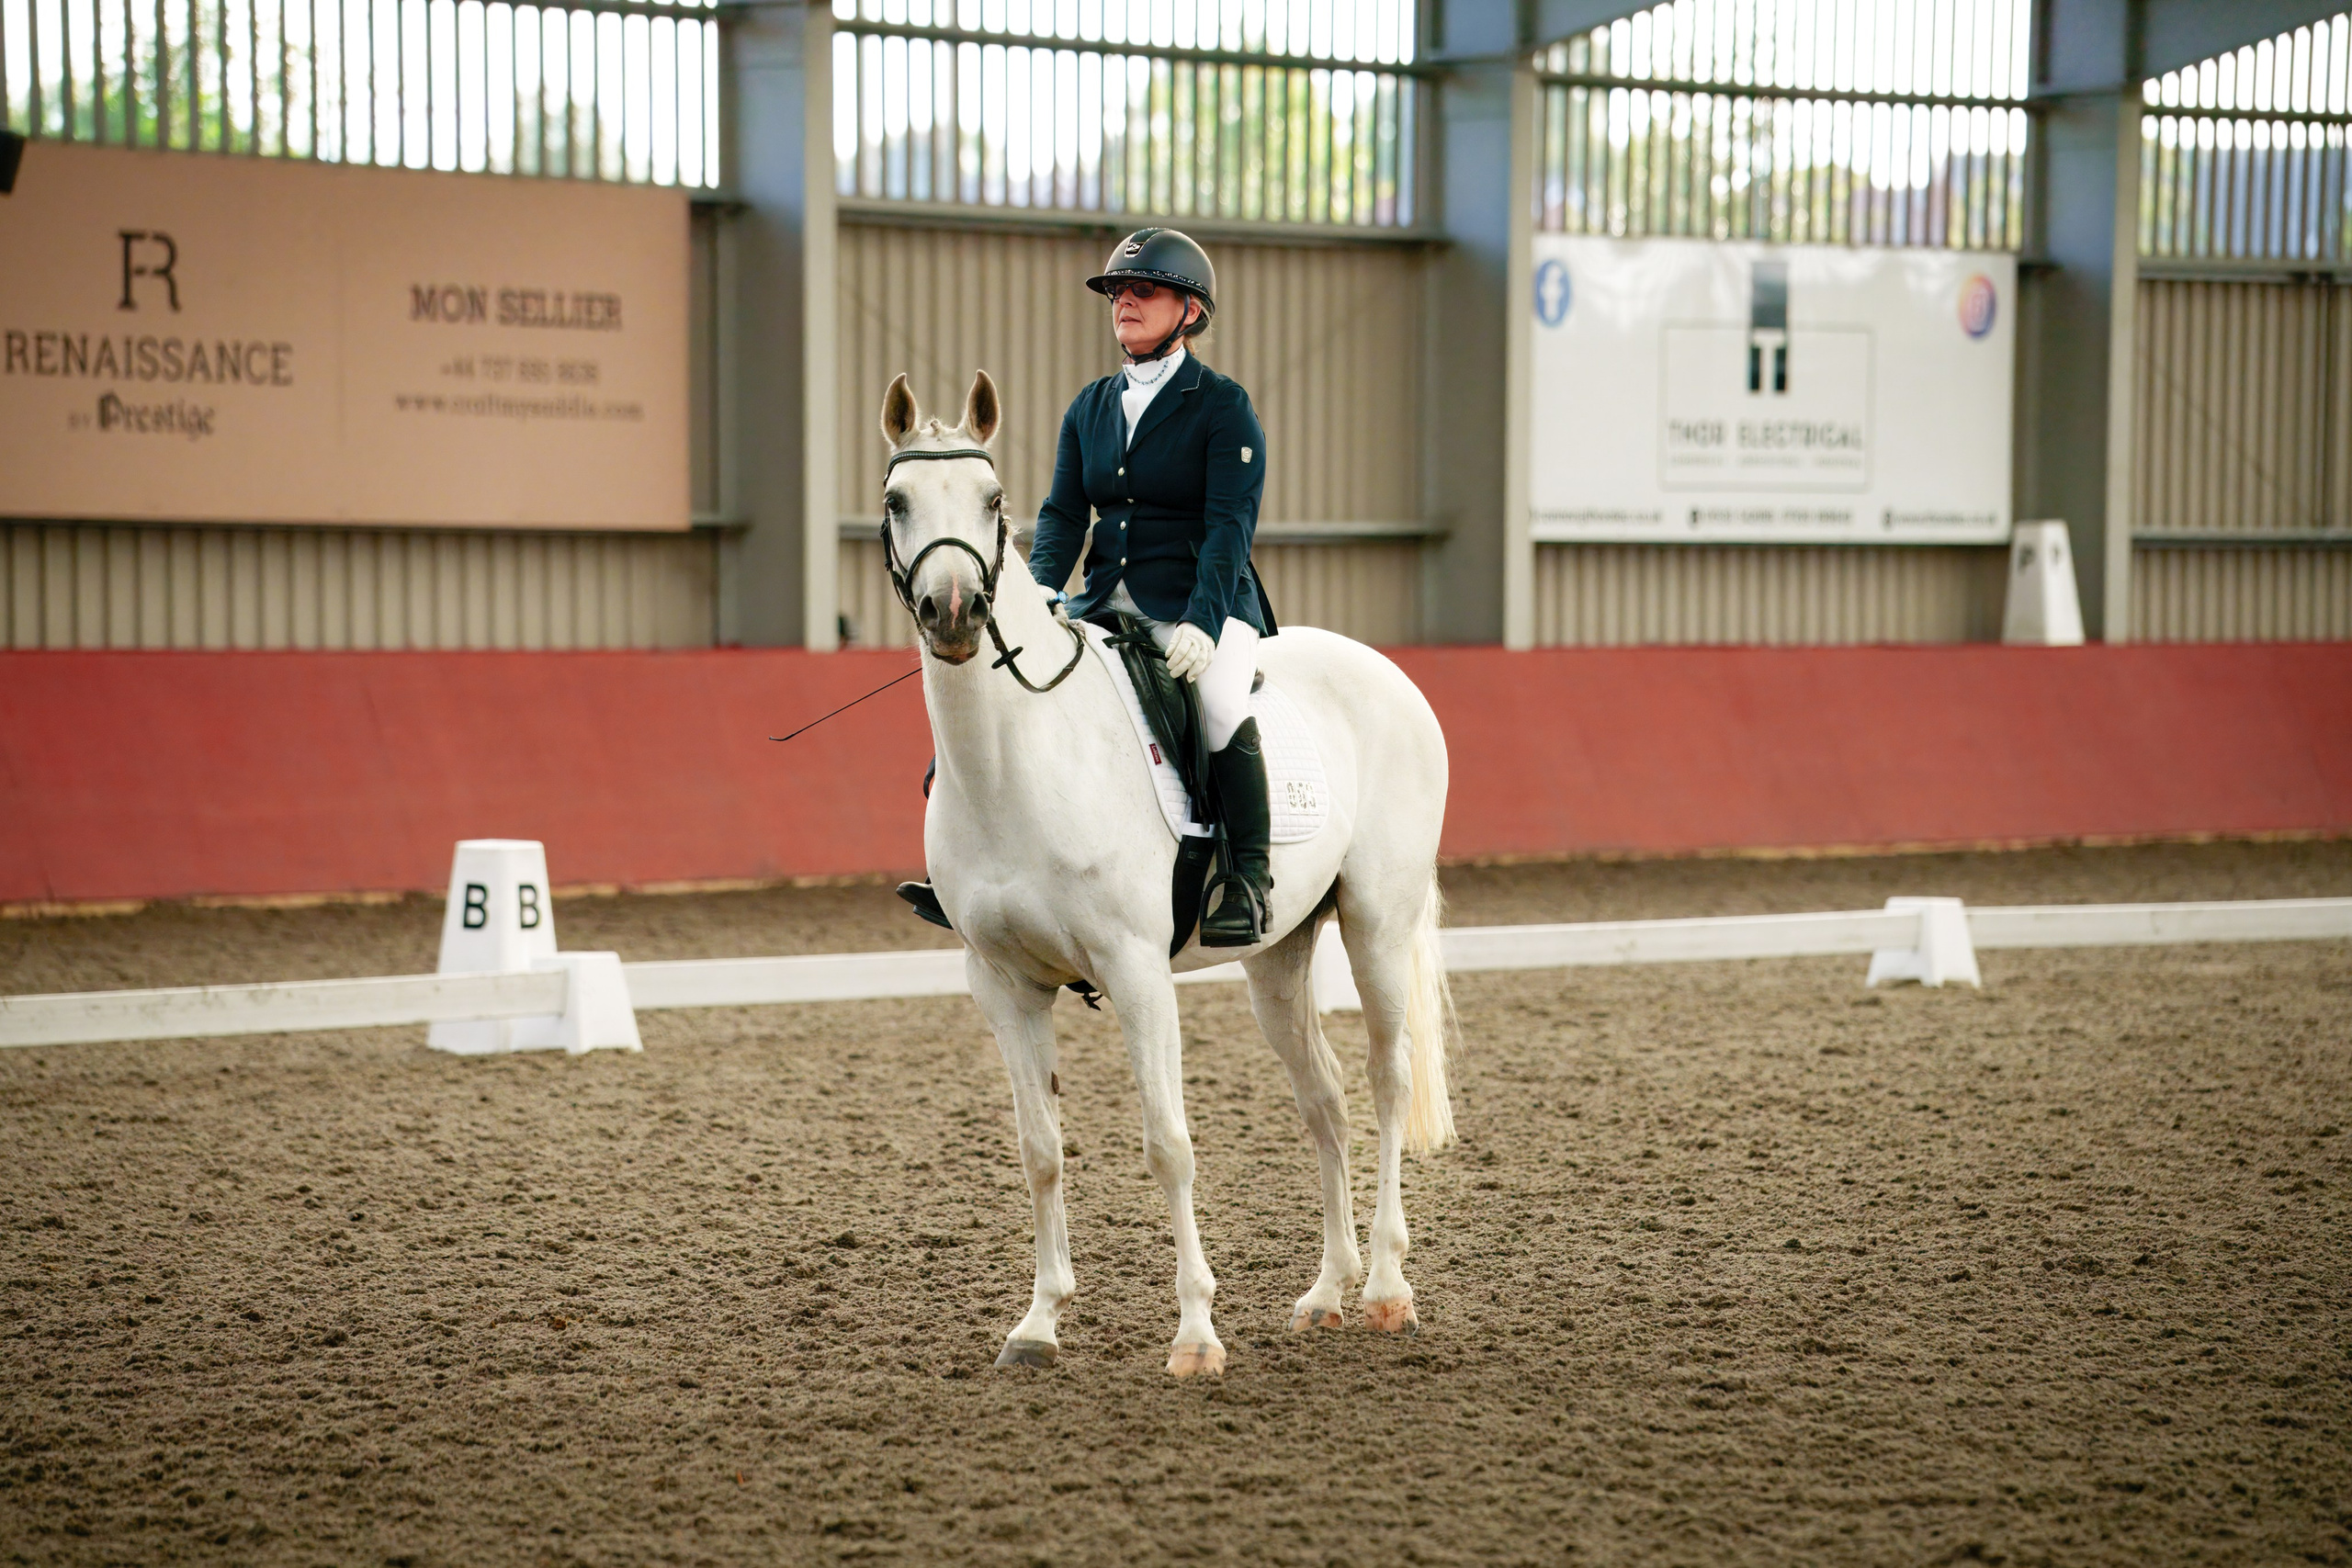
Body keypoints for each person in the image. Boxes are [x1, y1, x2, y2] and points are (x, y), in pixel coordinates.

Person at [898, 227, 1278, 947]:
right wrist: (1037, 595)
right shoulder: (1091, 406)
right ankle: (972, 870)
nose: (1126, 303)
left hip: (1204, 604)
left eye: (1146, 292)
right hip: (1102, 600)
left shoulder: (1223, 406)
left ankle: (1247, 878)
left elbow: (1232, 525)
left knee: (1221, 703)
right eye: (1118, 293)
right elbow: (1065, 515)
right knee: (1008, 695)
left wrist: (1203, 617)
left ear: (1189, 312)